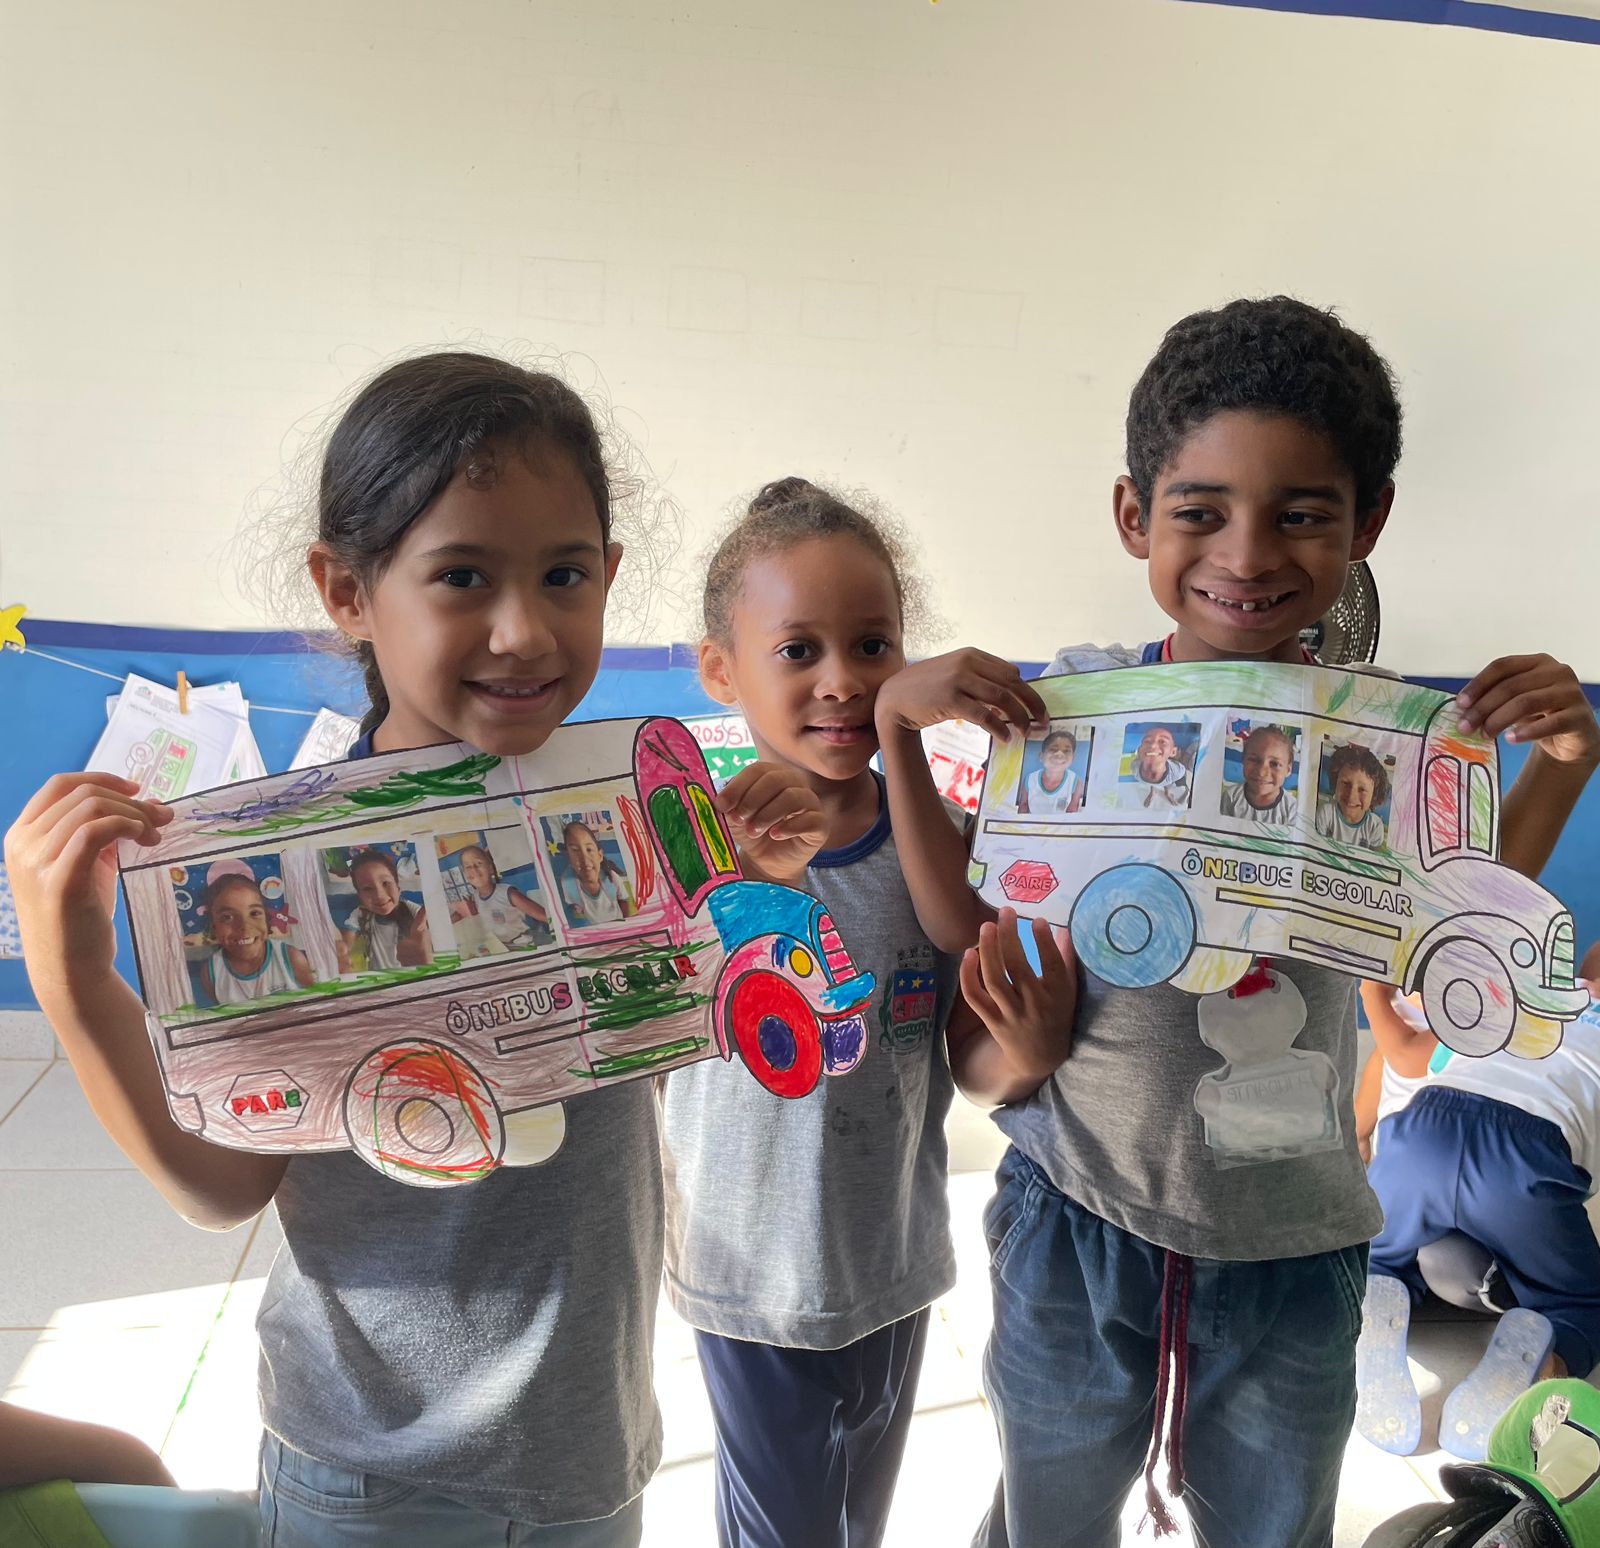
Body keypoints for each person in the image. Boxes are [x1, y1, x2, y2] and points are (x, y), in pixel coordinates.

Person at [868, 296, 1600, 1547]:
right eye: (1200, 510)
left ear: (1365, 523)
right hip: (1077, 1209)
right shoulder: (1074, 711)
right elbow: (958, 922)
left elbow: (1452, 922)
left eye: (1301, 513)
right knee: (1044, 1521)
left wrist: (1566, 766)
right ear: (1133, 516)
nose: (1247, 554)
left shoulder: (1377, 735)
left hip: (1295, 1243)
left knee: (1273, 1529)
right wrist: (894, 720)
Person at [3, 351, 681, 1546]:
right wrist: (72, 974)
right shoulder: (279, 877)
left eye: (563, 575)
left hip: (592, 1451)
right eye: (462, 576)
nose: (523, 630)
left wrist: (745, 897)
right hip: (374, 1481)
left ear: (609, 577)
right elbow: (220, 1186)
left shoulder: (615, 819)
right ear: (347, 591)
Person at [659, 477, 1073, 1548]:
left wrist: (1022, 1055)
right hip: (751, 1276)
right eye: (798, 650)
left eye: (872, 645)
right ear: (722, 670)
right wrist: (744, 889)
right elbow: (651, 1041)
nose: (841, 680)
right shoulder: (689, 853)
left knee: (858, 1519)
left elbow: (964, 1060)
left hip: (892, 1257)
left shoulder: (936, 852)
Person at [1357, 955, 1600, 1461]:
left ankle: (1370, 1304)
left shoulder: (1525, 994)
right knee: (1578, 1303)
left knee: (1372, 1260)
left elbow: (1410, 1065)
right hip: (1527, 1159)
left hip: (1423, 1125)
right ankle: (1545, 1360)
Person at [195, 873, 315, 1005]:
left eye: (254, 913)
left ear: (266, 918)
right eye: (227, 917)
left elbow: (316, 1003)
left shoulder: (292, 959)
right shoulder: (211, 974)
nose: (245, 927)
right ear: (213, 926)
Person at [338, 848, 432, 971]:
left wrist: (427, 955)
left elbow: (431, 931)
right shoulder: (360, 914)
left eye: (385, 883)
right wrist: (343, 953)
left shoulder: (414, 911)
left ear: (398, 888)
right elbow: (346, 943)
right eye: (367, 888)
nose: (379, 895)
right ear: (360, 896)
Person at [451, 842, 550, 951]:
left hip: (528, 946)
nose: (474, 869)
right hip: (502, 950)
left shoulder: (508, 893)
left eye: (478, 863)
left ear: (490, 868)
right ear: (465, 873)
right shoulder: (474, 900)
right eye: (468, 866)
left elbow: (545, 916)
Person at [1314, 741, 1389, 850]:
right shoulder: (1326, 814)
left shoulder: (1375, 827)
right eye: (1345, 783)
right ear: (1336, 782)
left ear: (1374, 795)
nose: (1351, 796)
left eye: (1362, 789)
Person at [558, 820, 636, 926]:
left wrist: (625, 923)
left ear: (599, 856)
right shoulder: (568, 884)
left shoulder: (611, 878)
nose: (584, 859)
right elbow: (574, 908)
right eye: (575, 850)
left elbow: (623, 901)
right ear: (568, 857)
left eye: (589, 849)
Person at [1220, 723, 1298, 825]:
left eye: (1274, 764)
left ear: (1288, 770)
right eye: (1254, 760)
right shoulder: (1230, 797)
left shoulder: (1292, 809)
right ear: (1243, 760)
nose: (1261, 772)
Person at [1126, 725, 1190, 807]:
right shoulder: (1135, 768)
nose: (1152, 746)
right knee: (1151, 783)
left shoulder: (1176, 771)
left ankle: (1167, 792)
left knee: (1167, 784)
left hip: (1169, 779)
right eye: (1147, 741)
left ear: (1173, 752)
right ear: (1139, 751)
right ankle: (1153, 792)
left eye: (1162, 741)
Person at [1019, 729, 1080, 814]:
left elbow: (1072, 811)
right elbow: (1023, 806)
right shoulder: (1030, 779)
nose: (1059, 754)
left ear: (1073, 758)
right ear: (1041, 756)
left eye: (1066, 751)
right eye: (1053, 749)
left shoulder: (1076, 782)